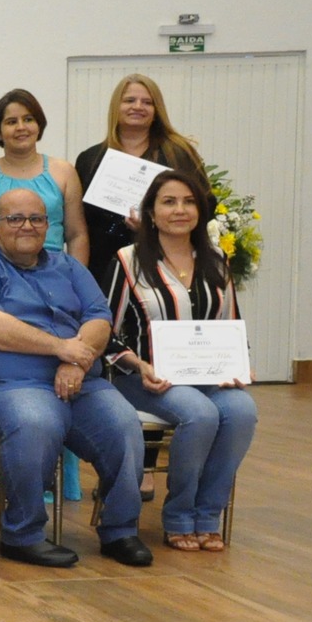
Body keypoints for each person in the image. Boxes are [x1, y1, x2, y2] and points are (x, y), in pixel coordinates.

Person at [0, 188, 149, 568]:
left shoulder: (69, 266)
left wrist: (75, 361)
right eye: (15, 219)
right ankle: (22, 535)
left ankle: (120, 530)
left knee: (123, 424)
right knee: (36, 421)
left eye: (37, 219)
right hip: (4, 386)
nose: (27, 226)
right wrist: (60, 348)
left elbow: (99, 319)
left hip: (80, 380)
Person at [104, 170, 256, 552]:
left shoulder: (217, 260)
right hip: (145, 378)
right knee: (200, 414)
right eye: (169, 202)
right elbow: (104, 333)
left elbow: (230, 324)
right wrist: (138, 366)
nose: (180, 210)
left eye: (189, 202)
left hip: (209, 378)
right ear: (151, 213)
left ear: (201, 210)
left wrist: (238, 365)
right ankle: (179, 515)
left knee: (242, 411)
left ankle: (208, 514)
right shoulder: (128, 261)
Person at [75, 73, 207, 288]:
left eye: (147, 102)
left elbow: (205, 204)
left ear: (157, 112)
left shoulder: (179, 154)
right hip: (103, 267)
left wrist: (155, 223)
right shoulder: (90, 159)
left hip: (166, 263)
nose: (138, 107)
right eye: (129, 101)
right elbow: (80, 219)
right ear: (116, 108)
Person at [0, 89, 87, 264]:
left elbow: (76, 235)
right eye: (11, 122)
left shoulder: (64, 171)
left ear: (39, 125)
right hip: (0, 270)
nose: (21, 127)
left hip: (55, 271)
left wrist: (77, 280)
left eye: (28, 119)